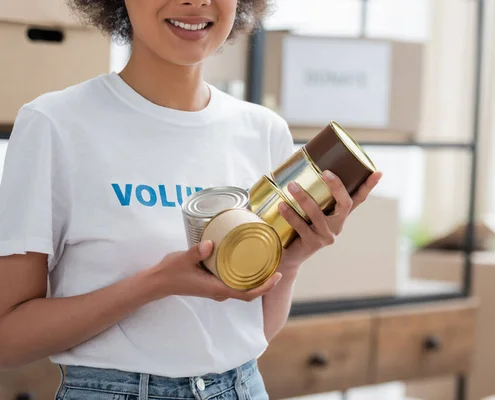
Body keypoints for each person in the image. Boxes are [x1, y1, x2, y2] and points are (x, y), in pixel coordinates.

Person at [0, 0, 383, 399]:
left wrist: (291, 260)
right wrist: (155, 284)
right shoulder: (55, 125)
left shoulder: (263, 131)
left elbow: (248, 334)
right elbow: (7, 339)